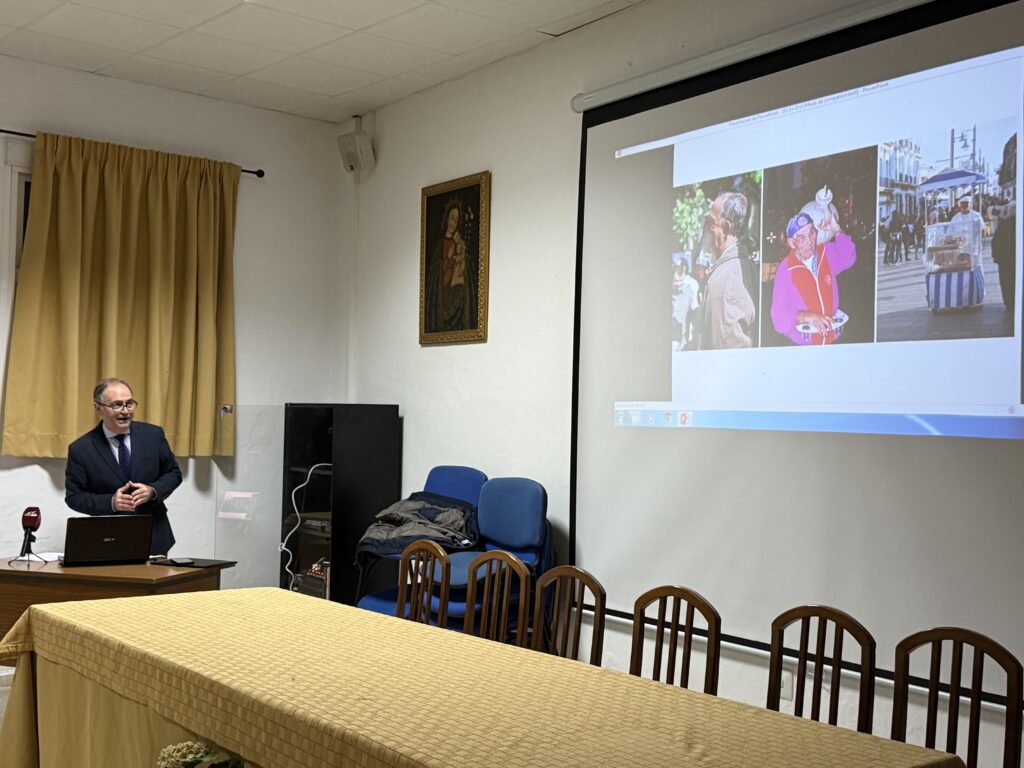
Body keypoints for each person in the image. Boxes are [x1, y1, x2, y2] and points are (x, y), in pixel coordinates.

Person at [65, 378, 182, 556]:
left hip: (154, 535)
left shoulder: (153, 435)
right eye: (117, 405)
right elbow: (75, 497)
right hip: (106, 539)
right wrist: (111, 502)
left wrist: (152, 490)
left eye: (129, 404)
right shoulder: (81, 449)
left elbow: (173, 473)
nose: (125, 411)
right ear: (98, 408)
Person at [770, 211, 857, 345]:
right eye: (802, 238)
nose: (810, 241)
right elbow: (778, 316)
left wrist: (837, 230)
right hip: (805, 343)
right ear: (792, 243)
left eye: (811, 233)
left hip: (833, 337)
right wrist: (806, 317)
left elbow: (848, 258)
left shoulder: (825, 253)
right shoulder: (785, 269)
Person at [699, 192, 755, 349]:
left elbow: (725, 351)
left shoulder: (727, 280)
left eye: (711, 222)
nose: (706, 229)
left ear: (726, 228)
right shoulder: (739, 266)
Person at [424, 198, 478, 333]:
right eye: (452, 218)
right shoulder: (440, 245)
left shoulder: (459, 243)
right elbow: (434, 271)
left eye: (456, 220)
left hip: (457, 292)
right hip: (443, 295)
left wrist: (461, 258)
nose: (453, 223)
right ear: (447, 218)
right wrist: (448, 260)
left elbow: (464, 263)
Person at [991, 203, 1016, 314]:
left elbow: (995, 242)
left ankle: (1009, 302)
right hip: (1014, 259)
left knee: (1006, 281)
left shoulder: (1003, 225)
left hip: (1005, 261)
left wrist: (996, 257)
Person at [672, 257, 699, 349]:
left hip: (683, 332)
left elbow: (694, 308)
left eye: (677, 266)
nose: (676, 268)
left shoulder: (692, 284)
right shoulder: (673, 280)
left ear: (684, 267)